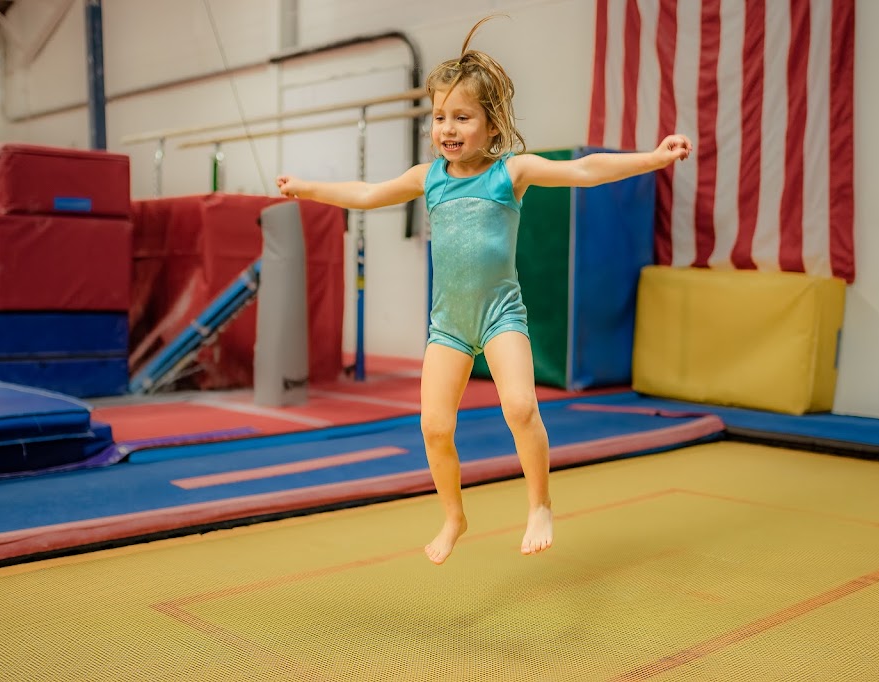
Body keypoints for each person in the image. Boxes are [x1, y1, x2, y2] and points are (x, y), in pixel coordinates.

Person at [276, 16, 692, 565]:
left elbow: (587, 170)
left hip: (500, 315)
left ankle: (540, 503)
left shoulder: (510, 172)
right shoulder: (430, 177)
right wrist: (308, 188)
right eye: (440, 116)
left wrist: (654, 158)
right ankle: (454, 516)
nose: (447, 128)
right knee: (433, 426)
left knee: (520, 406)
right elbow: (369, 191)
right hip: (448, 324)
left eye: (462, 117)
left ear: (492, 125)